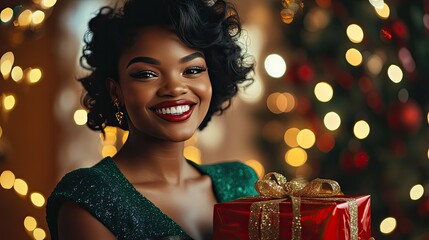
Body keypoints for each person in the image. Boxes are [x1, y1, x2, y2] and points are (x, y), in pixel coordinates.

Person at [46, 0, 258, 239]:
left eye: (192, 70)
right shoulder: (89, 199)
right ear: (116, 91)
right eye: (147, 74)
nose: (175, 88)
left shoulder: (242, 182)